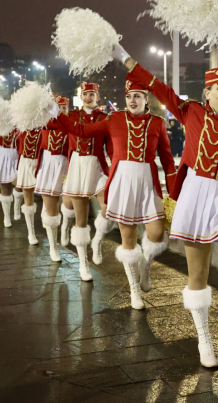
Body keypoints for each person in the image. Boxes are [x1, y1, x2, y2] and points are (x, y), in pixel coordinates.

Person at [119, 46, 218, 370]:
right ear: (207, 93)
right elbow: (158, 87)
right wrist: (127, 60)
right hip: (195, 195)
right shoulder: (190, 111)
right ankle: (204, 340)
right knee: (197, 275)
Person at [50, 79, 177, 309]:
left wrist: (175, 192)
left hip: (148, 185)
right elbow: (81, 130)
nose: (132, 100)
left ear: (146, 99)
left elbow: (168, 160)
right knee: (128, 239)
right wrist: (57, 114)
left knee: (157, 234)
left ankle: (145, 268)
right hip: (122, 184)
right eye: (129, 96)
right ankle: (134, 290)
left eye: (137, 96)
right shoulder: (114, 119)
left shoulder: (157, 123)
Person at [55, 82, 112, 282]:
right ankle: (83, 264)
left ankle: (97, 241)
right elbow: (53, 126)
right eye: (85, 94)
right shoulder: (71, 116)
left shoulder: (105, 118)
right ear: (80, 96)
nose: (88, 97)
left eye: (91, 94)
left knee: (109, 207)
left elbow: (111, 145)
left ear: (98, 96)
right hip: (78, 166)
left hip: (98, 166)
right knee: (80, 220)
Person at [35, 96, 72, 265]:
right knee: (52, 211)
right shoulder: (44, 123)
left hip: (67, 166)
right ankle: (53, 247)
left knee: (69, 204)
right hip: (48, 166)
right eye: (58, 107)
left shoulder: (71, 124)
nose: (61, 110)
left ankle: (65, 227)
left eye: (64, 107)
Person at [0, 129, 23, 228]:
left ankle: (17, 206)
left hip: (19, 152)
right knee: (5, 185)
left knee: (21, 183)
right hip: (3, 153)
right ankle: (6, 216)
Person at [16, 128, 43, 245]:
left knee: (48, 194)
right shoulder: (21, 124)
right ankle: (31, 233)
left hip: (43, 161)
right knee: (28, 197)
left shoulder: (46, 123)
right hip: (26, 160)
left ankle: (47, 220)